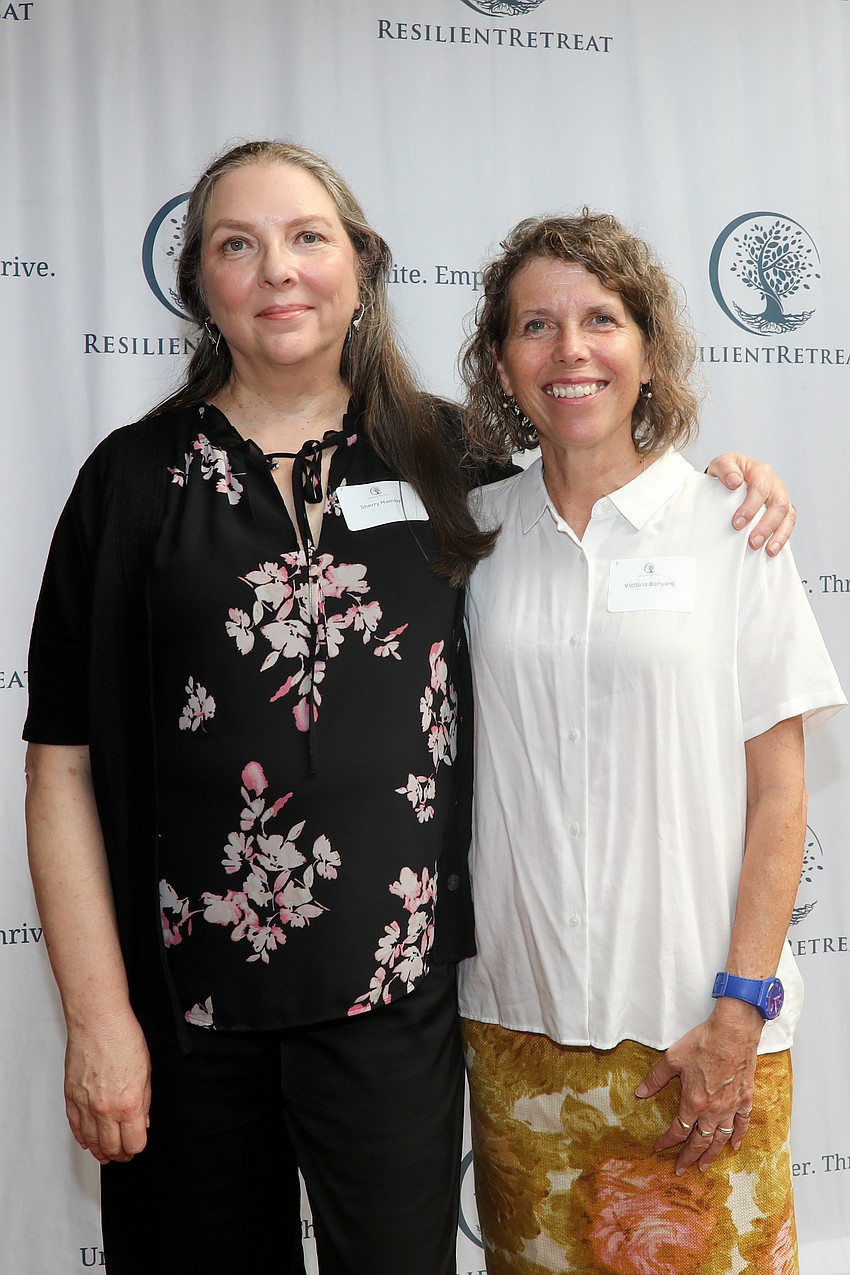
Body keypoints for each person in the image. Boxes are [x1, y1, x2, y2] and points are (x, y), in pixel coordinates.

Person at [23, 142, 794, 1275]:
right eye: (237, 245)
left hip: (397, 1020)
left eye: (306, 238)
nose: (277, 271)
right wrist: (96, 1021)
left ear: (360, 265)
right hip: (180, 1024)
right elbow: (61, 773)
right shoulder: (131, 482)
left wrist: (730, 485)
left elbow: (592, 476)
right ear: (199, 283)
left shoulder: (449, 458)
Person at [456, 211, 845, 1275]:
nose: (569, 349)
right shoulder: (467, 538)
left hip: (703, 1043)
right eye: (536, 324)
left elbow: (779, 796)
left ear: (647, 348)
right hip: (519, 1039)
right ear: (501, 360)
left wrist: (739, 1010)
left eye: (600, 319)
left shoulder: (732, 531)